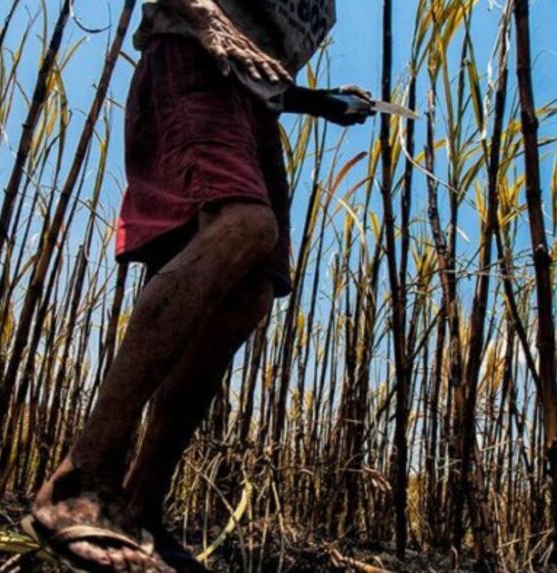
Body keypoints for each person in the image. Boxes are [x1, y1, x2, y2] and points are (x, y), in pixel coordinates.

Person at [22, 1, 374, 571]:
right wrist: (210, 22)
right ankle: (80, 482)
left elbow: (259, 72)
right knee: (245, 223)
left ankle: (140, 510)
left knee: (250, 293)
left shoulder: (324, 10)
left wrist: (316, 100)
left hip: (247, 110)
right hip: (189, 62)